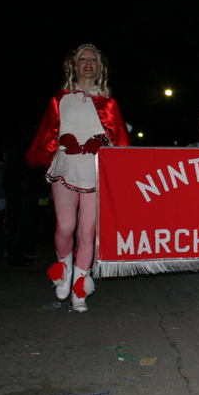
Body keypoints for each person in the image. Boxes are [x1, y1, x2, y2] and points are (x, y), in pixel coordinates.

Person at [26, 44, 130, 312]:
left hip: (96, 169)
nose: (87, 63)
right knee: (65, 227)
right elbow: (48, 134)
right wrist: (59, 145)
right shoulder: (60, 98)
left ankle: (80, 288)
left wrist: (103, 145)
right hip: (67, 166)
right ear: (73, 65)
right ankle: (63, 271)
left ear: (99, 67)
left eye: (92, 60)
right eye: (82, 59)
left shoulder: (108, 102)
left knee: (87, 232)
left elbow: (119, 141)